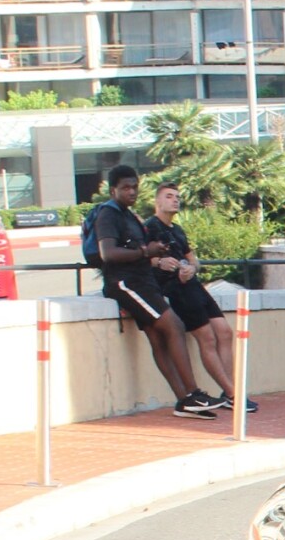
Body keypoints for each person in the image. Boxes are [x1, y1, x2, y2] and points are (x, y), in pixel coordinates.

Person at [91, 166, 220, 418]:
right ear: (112, 190)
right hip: (125, 283)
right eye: (126, 187)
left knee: (158, 336)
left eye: (135, 187)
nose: (131, 192)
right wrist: (145, 252)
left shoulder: (130, 216)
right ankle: (192, 393)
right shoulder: (109, 214)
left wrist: (154, 252)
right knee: (173, 326)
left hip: (144, 281)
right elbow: (108, 253)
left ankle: (184, 401)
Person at [143, 180, 250, 414]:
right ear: (157, 201)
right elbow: (141, 258)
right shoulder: (149, 227)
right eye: (169, 196)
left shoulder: (177, 230)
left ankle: (230, 391)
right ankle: (233, 393)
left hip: (194, 286)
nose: (175, 200)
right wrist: (160, 261)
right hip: (175, 290)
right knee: (207, 338)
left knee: (224, 331)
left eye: (177, 196)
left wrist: (192, 268)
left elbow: (193, 259)